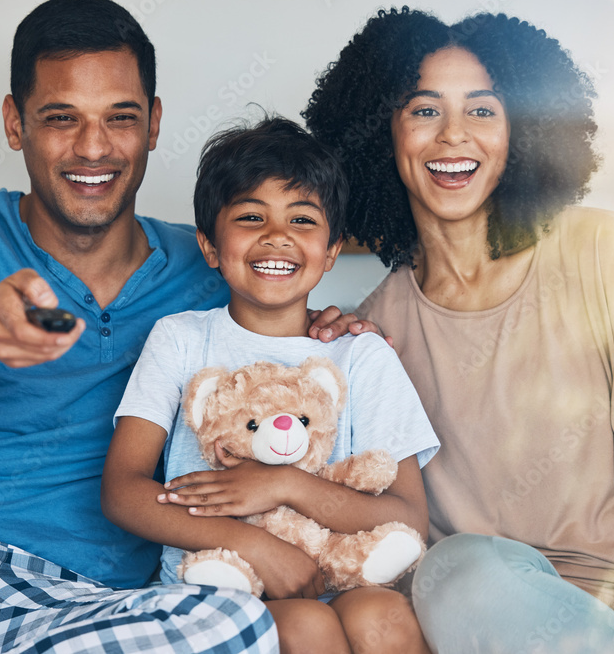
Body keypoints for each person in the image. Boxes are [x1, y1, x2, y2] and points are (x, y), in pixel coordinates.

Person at [0, 0, 366, 654]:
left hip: (86, 613)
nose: (94, 148)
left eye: (120, 118)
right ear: (14, 122)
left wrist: (327, 325)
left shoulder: (213, 265)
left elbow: (284, 329)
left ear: (154, 124)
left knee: (238, 625)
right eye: (62, 118)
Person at [303, 8, 614, 652]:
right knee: (453, 568)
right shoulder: (370, 337)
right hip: (490, 614)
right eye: (425, 110)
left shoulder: (602, 250)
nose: (453, 135)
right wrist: (315, 345)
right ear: (384, 136)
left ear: (523, 133)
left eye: (483, 111)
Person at [101, 116, 440, 653]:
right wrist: (250, 543)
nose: (277, 236)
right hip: (220, 581)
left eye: (302, 219)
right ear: (210, 247)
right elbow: (123, 491)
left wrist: (285, 485)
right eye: (251, 216)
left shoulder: (360, 355)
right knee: (305, 626)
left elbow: (407, 517)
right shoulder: (181, 339)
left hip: (341, 575)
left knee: (384, 616)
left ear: (330, 253)